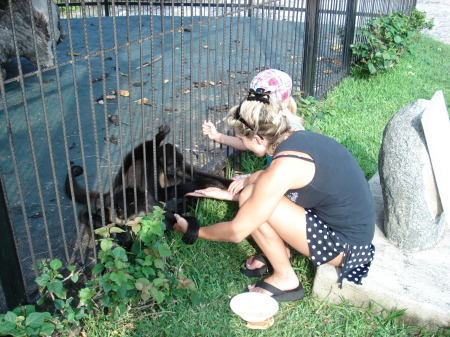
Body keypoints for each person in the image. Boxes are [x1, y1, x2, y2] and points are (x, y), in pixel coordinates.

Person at [174, 89, 376, 302]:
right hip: (347, 228)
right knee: (253, 193)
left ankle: (286, 279)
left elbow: (236, 231)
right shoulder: (298, 138)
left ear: (259, 138)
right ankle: (280, 254)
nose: (244, 146)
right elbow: (267, 180)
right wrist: (231, 194)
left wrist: (193, 231)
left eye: (243, 140)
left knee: (251, 200)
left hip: (347, 247)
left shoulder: (283, 167)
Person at [202, 69, 305, 168]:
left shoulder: (293, 133)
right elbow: (247, 141)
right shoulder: (268, 119)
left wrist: (251, 180)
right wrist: (217, 136)